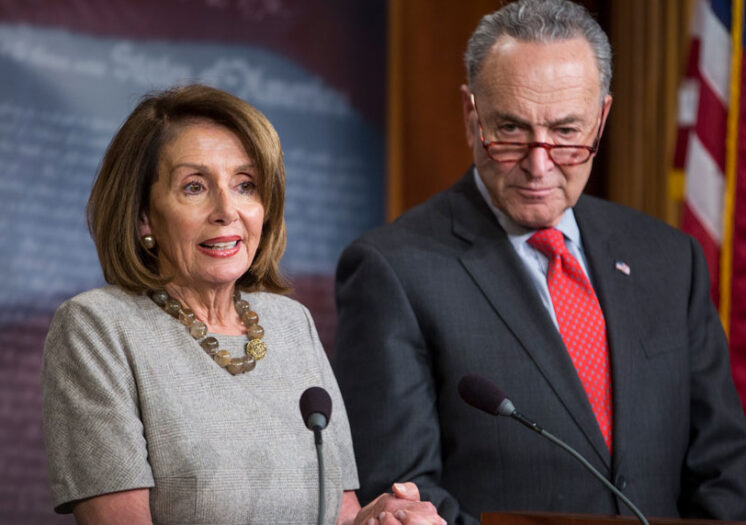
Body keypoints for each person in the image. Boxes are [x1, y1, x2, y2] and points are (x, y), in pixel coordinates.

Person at [332, 1, 746, 523]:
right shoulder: (392, 270)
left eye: (565, 132)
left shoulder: (669, 257)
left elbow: (721, 466)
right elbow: (405, 492)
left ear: (601, 116)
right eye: (510, 130)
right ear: (471, 116)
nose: (539, 165)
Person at [42, 84, 445, 525]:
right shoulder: (97, 329)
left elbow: (339, 514)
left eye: (245, 185)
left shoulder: (291, 323)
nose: (226, 210)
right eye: (194, 187)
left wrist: (382, 517)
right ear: (143, 216)